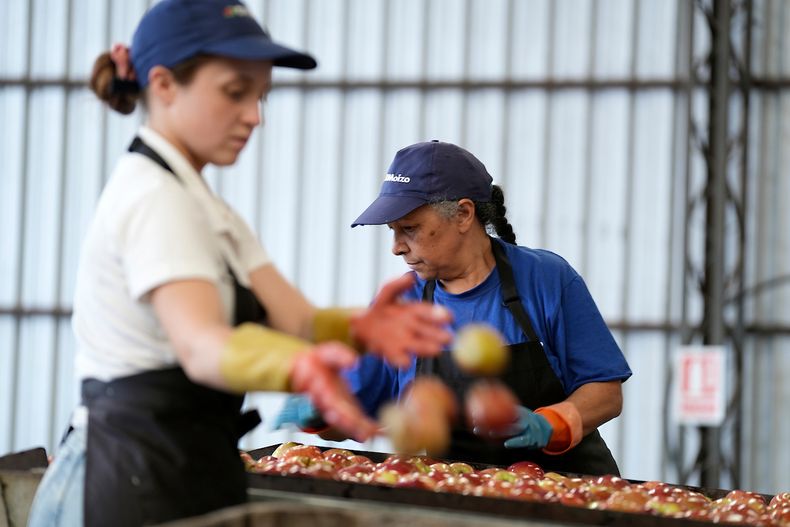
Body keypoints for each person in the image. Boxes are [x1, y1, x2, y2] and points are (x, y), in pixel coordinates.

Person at [27, 3, 451, 526]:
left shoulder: (207, 205)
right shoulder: (154, 197)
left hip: (182, 465)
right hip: (129, 478)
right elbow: (202, 345)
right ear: (163, 85)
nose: (255, 115)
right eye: (235, 92)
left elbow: (297, 320)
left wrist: (358, 327)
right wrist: (300, 365)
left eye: (260, 95)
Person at [277, 140, 632, 476]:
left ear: (463, 214)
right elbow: (354, 413)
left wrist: (554, 422)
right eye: (392, 231)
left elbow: (605, 391)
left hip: (567, 495)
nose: (396, 247)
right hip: (458, 497)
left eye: (410, 229)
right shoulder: (400, 305)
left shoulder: (547, 278)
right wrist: (320, 413)